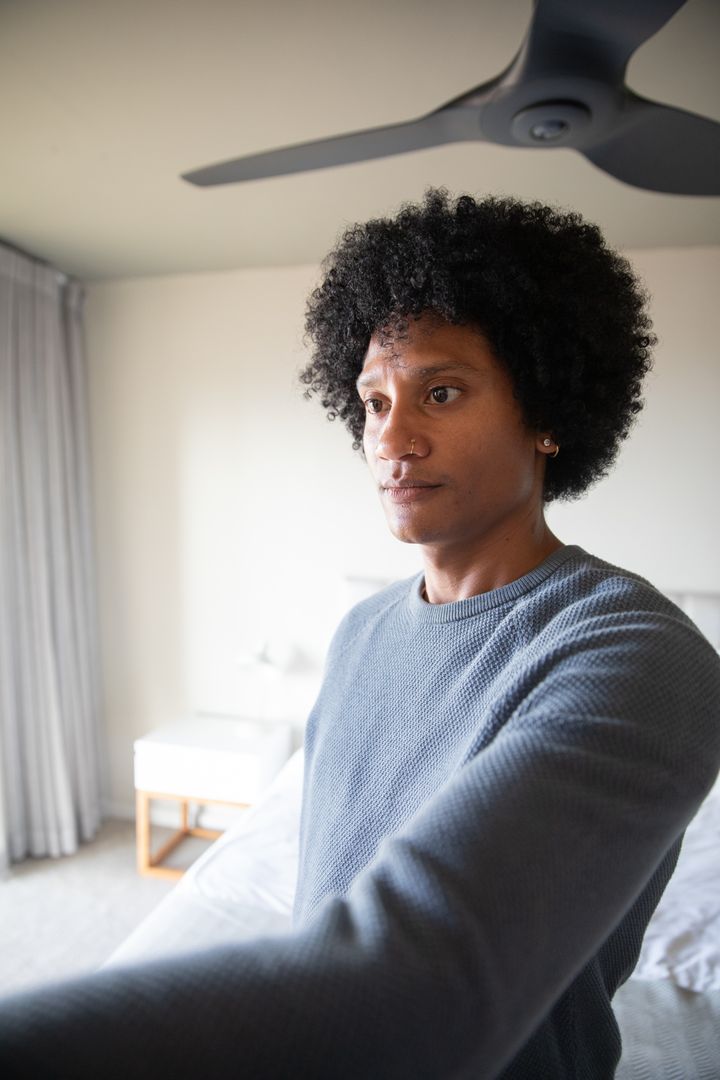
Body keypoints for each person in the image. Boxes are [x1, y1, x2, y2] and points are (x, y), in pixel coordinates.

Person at [1, 191, 719, 1078]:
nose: (392, 439)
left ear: (548, 415)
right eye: (373, 403)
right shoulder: (359, 632)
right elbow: (326, 898)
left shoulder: (641, 657)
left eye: (441, 392)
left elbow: (417, 990)